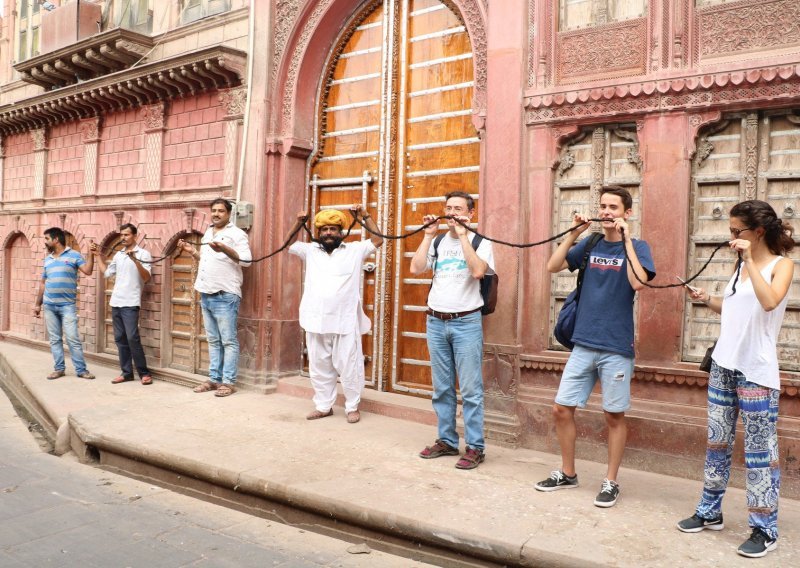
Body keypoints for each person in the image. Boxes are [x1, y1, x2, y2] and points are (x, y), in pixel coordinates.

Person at [676, 200, 794, 558]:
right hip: (724, 365)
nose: (731, 238)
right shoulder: (738, 269)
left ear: (757, 232)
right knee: (717, 444)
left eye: (735, 232)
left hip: (757, 371)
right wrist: (707, 298)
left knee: (760, 453)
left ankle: (764, 529)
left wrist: (749, 263)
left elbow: (770, 301)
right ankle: (710, 511)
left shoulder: (781, 265)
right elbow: (735, 308)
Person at [534, 186, 655, 507]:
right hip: (583, 343)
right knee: (561, 408)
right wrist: (574, 233)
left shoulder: (639, 247)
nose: (606, 212)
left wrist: (627, 240)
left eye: (613, 207)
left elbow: (638, 282)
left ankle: (611, 480)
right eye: (603, 206)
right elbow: (553, 266)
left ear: (627, 213)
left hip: (616, 346)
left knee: (613, 416)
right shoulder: (590, 244)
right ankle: (568, 472)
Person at [409, 191, 495, 470]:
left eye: (458, 208)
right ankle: (446, 440)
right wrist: (426, 235)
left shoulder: (481, 241)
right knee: (442, 387)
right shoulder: (436, 241)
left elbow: (478, 272)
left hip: (466, 322)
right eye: (448, 207)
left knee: (470, 389)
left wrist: (464, 236)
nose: (452, 212)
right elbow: (416, 267)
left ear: (470, 214)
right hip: (435, 321)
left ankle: (475, 447)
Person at [286, 205, 384, 423]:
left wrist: (365, 216)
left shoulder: (354, 250)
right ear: (319, 233)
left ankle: (352, 407)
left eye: (333, 229)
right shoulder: (310, 250)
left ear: (341, 232)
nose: (328, 233)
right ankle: (323, 406)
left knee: (350, 366)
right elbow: (288, 244)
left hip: (345, 321)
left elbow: (378, 240)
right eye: (324, 229)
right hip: (315, 320)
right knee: (319, 367)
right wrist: (298, 221)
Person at [177, 198, 252, 397]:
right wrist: (192, 251)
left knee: (228, 341)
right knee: (213, 340)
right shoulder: (209, 232)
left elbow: (246, 261)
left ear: (228, 214)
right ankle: (213, 379)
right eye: (214, 211)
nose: (216, 214)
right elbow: (209, 259)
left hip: (225, 294)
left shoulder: (237, 234)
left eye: (220, 211)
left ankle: (228, 382)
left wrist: (224, 248)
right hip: (206, 293)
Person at [93, 224, 154, 386]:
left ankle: (144, 373)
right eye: (122, 235)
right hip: (116, 301)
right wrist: (97, 256)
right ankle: (126, 373)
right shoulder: (119, 255)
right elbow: (107, 273)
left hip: (131, 302)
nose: (123, 238)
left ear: (135, 236)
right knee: (120, 338)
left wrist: (135, 260)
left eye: (126, 235)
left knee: (132, 337)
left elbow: (146, 277)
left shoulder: (144, 254)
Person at [33, 227, 96, 380]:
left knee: (72, 338)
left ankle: (81, 370)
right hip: (49, 305)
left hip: (67, 305)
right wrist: (37, 304)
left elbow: (87, 271)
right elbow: (43, 283)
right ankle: (59, 369)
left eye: (47, 239)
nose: (45, 242)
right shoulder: (48, 259)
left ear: (56, 240)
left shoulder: (74, 255)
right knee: (54, 339)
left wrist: (92, 255)